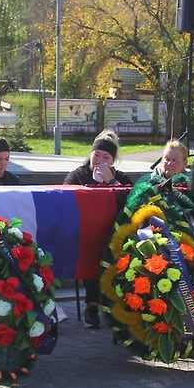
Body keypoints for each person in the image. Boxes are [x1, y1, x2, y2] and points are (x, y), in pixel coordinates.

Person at [65, 129, 133, 328]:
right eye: (97, 155)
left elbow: (132, 201)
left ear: (112, 161)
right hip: (84, 233)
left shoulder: (120, 178)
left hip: (113, 232)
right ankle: (92, 305)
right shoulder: (78, 174)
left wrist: (111, 182)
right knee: (94, 248)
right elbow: (67, 198)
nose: (99, 160)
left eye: (106, 157)